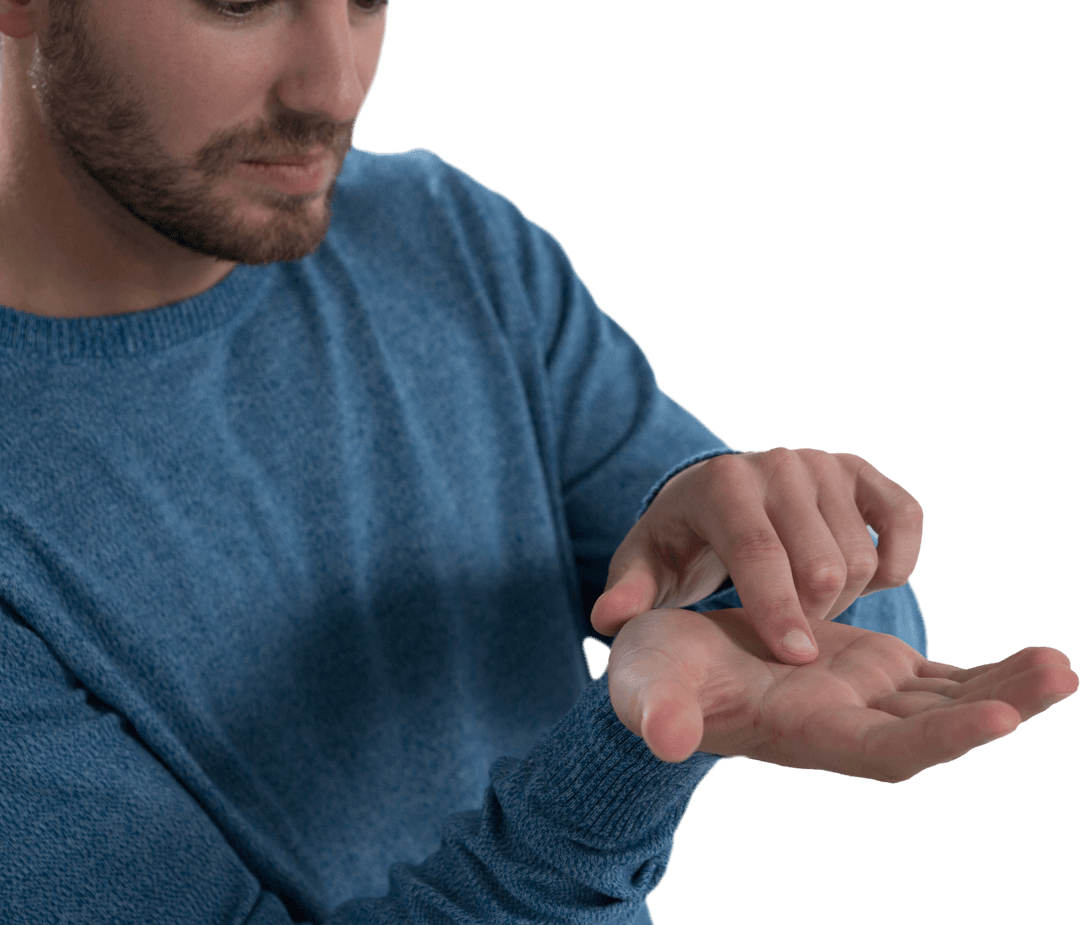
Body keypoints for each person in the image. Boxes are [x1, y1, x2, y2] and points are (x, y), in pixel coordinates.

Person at [0, 2, 1074, 923]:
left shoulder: (441, 236)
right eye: (237, 0)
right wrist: (623, 761)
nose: (335, 84)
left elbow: (857, 643)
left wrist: (770, 547)